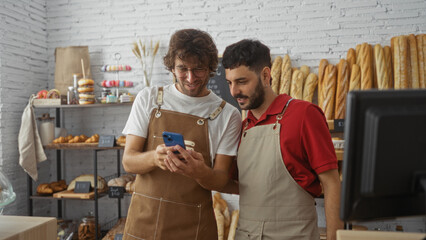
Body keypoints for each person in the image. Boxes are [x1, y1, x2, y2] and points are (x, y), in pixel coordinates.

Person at [121, 29, 242, 240]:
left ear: (211, 67)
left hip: (193, 228)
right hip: (144, 224)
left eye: (199, 69)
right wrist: (153, 157)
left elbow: (221, 180)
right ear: (171, 66)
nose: (190, 77)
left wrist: (199, 171)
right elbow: (129, 162)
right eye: (182, 68)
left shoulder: (227, 115)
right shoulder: (149, 98)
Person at [222, 39, 343, 240]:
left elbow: (331, 183)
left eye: (242, 82)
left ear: (265, 75)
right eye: (230, 83)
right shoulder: (244, 127)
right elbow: (239, 185)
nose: (234, 91)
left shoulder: (304, 115)